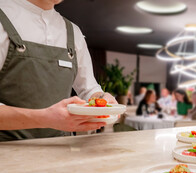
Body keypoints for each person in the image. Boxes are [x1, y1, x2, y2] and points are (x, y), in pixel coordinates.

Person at [0, 0, 117, 142]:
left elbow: (89, 90)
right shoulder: (4, 15)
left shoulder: (73, 32)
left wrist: (102, 98)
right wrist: (44, 118)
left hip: (62, 152)